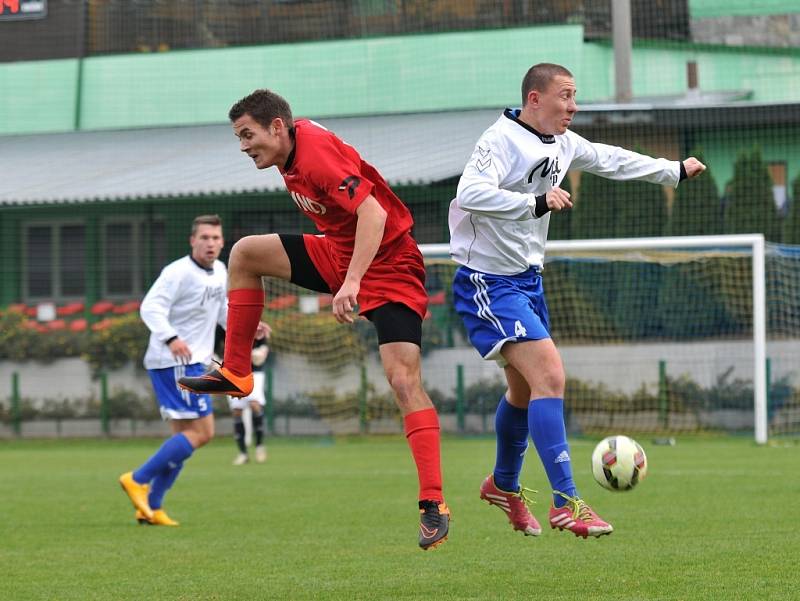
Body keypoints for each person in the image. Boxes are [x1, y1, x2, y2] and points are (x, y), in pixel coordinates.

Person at [178, 89, 450, 550]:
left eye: (248, 135)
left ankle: (433, 503)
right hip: (337, 253)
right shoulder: (291, 145)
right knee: (244, 254)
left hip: (390, 266)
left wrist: (352, 282)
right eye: (238, 137)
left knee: (403, 381)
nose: (243, 146)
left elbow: (374, 213)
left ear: (277, 128)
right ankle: (237, 372)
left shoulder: (315, 156)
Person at [449, 63, 706, 539]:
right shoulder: (499, 139)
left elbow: (611, 159)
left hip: (527, 281)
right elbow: (470, 193)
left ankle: (503, 484)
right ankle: (567, 503)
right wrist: (535, 203)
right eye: (565, 96)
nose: (574, 105)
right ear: (534, 99)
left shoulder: (563, 143)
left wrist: (671, 170)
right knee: (550, 377)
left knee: (525, 391)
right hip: (487, 281)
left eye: (574, 96)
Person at [119, 215, 267, 526]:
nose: (210, 243)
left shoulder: (221, 272)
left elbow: (223, 313)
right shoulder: (177, 273)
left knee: (184, 439)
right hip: (173, 361)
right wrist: (171, 338)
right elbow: (150, 307)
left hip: (194, 361)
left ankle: (151, 507)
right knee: (204, 433)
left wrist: (250, 328)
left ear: (223, 242)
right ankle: (138, 478)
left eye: (215, 238)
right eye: (204, 238)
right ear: (192, 241)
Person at [229, 328, 271, 466]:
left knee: (254, 404)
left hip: (254, 373)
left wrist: (250, 354)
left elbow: (260, 356)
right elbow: (216, 348)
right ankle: (243, 453)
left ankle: (259, 446)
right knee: (237, 411)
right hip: (233, 374)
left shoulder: (257, 327)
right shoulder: (224, 324)